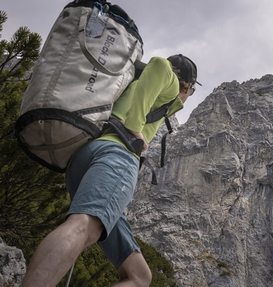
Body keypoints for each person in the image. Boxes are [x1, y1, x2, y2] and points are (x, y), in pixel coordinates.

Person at [20, 54, 201, 287]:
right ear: (188, 85)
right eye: (192, 91)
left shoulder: (148, 93)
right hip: (117, 156)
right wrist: (135, 128)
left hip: (88, 160)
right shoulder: (168, 78)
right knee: (83, 226)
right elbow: (159, 64)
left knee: (140, 276)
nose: (188, 96)